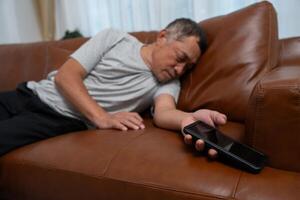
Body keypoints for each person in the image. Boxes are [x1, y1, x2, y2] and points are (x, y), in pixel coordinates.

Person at [0, 18, 227, 157]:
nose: (180, 69)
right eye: (180, 57)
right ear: (162, 37)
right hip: (29, 92)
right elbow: (66, 77)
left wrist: (189, 119)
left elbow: (165, 113)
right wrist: (103, 117)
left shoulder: (168, 83)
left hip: (57, 117)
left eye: (188, 67)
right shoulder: (115, 38)